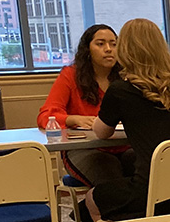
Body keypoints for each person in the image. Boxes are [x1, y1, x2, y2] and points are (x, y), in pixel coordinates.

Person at [86, 19, 170, 222]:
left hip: (150, 192)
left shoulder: (120, 90)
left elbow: (102, 133)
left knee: (91, 199)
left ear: (125, 51)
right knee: (129, 160)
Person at [36, 24, 134, 186]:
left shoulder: (126, 76)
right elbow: (45, 116)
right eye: (100, 44)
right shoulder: (70, 75)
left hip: (123, 146)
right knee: (109, 172)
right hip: (84, 149)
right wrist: (72, 119)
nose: (109, 49)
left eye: (114, 44)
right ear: (87, 50)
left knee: (144, 169)